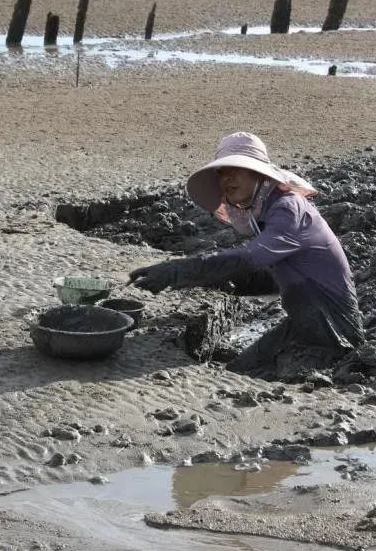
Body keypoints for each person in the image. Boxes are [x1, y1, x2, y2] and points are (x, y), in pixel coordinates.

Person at [129, 132, 363, 378]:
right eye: (221, 171)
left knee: (247, 380)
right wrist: (208, 279)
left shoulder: (288, 209)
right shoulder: (269, 211)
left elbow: (249, 258)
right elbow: (277, 279)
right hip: (304, 322)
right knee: (237, 371)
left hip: (333, 333)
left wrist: (177, 271)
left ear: (259, 173)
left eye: (236, 168)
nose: (226, 178)